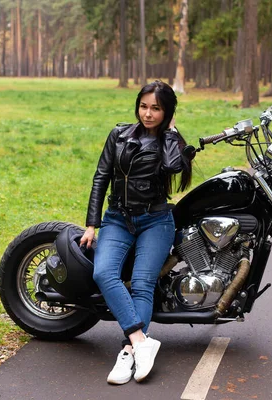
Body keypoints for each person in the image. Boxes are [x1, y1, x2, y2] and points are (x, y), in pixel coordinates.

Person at [79, 80, 192, 385]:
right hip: (117, 218)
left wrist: (169, 131)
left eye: (156, 108)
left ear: (167, 111)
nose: (148, 114)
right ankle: (141, 342)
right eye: (144, 106)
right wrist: (92, 224)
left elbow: (172, 167)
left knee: (142, 284)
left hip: (155, 220)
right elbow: (101, 177)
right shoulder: (119, 134)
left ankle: (127, 351)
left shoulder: (172, 141)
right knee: (103, 274)